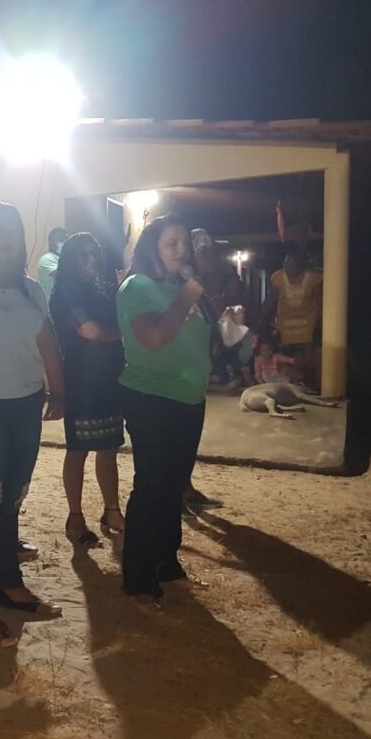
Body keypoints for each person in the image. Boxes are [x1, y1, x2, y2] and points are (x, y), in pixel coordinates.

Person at [0, 200, 65, 648]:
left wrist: (58, 390)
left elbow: (47, 340)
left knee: (13, 498)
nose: (8, 239)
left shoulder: (30, 289)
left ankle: (9, 582)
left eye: (14, 231)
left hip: (26, 405)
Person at [117, 214, 212, 602]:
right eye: (171, 243)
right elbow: (153, 337)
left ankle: (165, 560)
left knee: (174, 484)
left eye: (185, 243)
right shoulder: (138, 286)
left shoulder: (180, 287)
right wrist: (187, 297)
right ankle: (138, 575)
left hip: (189, 398)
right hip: (151, 397)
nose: (181, 250)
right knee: (152, 484)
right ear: (152, 248)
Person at [49, 232, 127, 544]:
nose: (91, 259)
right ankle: (75, 517)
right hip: (81, 381)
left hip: (109, 380)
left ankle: (112, 510)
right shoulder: (66, 292)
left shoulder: (102, 288)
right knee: (78, 450)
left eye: (95, 252)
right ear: (70, 259)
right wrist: (127, 333)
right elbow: (90, 330)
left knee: (109, 449)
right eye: (83, 254)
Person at [266, 246, 323, 390]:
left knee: (308, 349)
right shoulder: (278, 278)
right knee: (285, 352)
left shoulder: (313, 278)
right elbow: (272, 298)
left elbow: (320, 299)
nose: (288, 267)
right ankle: (289, 382)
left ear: (300, 265)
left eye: (292, 264)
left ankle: (310, 381)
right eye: (285, 263)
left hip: (307, 319)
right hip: (286, 319)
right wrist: (267, 315)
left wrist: (320, 319)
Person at [37, 227, 67, 300]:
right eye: (62, 240)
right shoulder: (47, 258)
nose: (66, 243)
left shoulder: (63, 259)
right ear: (52, 244)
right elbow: (63, 275)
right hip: (53, 304)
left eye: (67, 239)